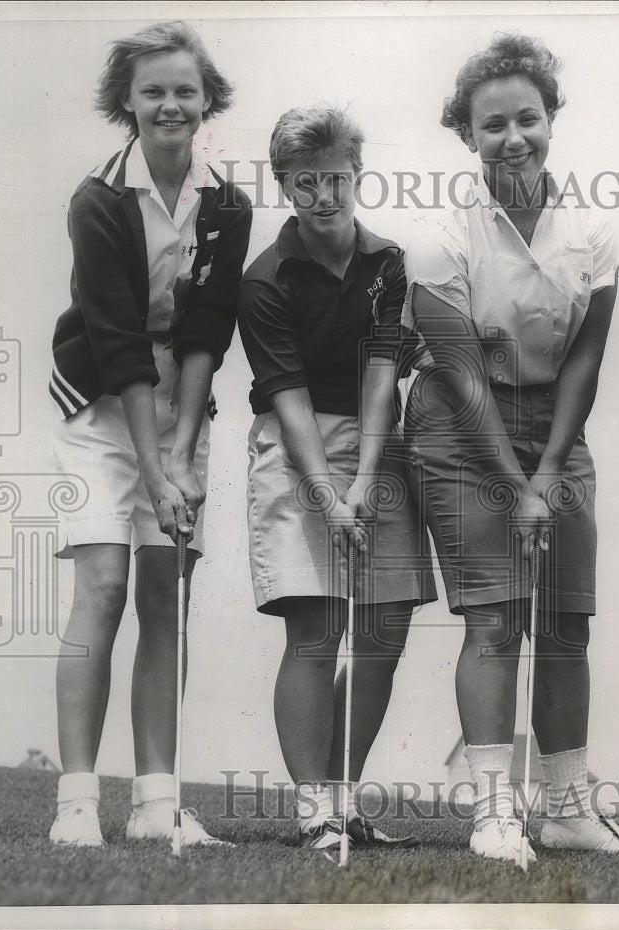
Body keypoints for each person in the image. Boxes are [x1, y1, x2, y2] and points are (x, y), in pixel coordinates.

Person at [402, 33, 619, 862]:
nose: (514, 138)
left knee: (567, 616)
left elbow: (584, 358)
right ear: (466, 135)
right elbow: (464, 376)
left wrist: (548, 470)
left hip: (556, 427)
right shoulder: (441, 235)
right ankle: (493, 812)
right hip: (460, 425)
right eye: (493, 125)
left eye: (528, 119)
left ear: (552, 120)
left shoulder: (595, 230)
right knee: (496, 615)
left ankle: (569, 809)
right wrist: (519, 485)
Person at [48, 21, 252, 847]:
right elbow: (118, 338)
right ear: (125, 103)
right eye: (153, 91)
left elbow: (207, 332)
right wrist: (150, 460)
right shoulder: (97, 199)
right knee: (102, 583)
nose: (170, 104)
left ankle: (157, 802)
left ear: (208, 101)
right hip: (101, 399)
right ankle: (74, 802)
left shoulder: (229, 202)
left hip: (182, 404)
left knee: (165, 590)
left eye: (184, 91)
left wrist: (178, 452)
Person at [237, 105, 436, 852]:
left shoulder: (388, 260)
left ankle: (346, 800)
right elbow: (285, 396)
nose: (325, 194)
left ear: (358, 174)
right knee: (317, 628)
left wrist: (366, 479)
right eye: (306, 181)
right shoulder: (264, 280)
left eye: (337, 178)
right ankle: (313, 809)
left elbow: (383, 371)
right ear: (286, 185)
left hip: (372, 439)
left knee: (384, 627)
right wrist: (327, 492)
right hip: (296, 444)